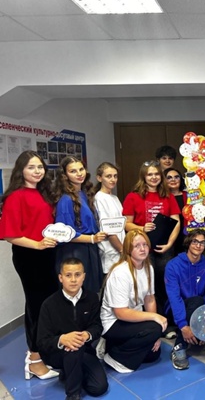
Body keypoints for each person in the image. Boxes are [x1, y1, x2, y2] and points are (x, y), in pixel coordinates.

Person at [0, 151, 59, 379]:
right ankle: (34, 360)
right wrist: (38, 245)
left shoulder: (43, 193)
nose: (37, 171)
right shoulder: (16, 196)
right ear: (21, 170)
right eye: (31, 167)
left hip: (47, 254)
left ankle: (43, 352)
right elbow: (10, 235)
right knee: (37, 306)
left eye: (40, 167)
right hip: (30, 256)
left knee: (46, 304)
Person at [37, 258, 108, 400]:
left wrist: (86, 335)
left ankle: (71, 373)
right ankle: (73, 394)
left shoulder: (92, 298)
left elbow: (97, 326)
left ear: (84, 276)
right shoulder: (49, 304)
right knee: (73, 347)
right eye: (68, 275)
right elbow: (42, 341)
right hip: (58, 354)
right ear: (60, 278)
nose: (73, 280)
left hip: (85, 350)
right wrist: (62, 339)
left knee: (98, 388)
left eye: (78, 275)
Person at [101, 230, 166, 373]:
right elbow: (120, 313)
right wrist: (154, 319)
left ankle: (115, 347)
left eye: (145, 245)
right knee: (155, 328)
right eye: (137, 246)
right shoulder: (120, 273)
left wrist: (155, 336)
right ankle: (114, 357)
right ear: (128, 249)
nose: (142, 249)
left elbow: (149, 299)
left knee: (153, 355)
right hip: (113, 322)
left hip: (133, 318)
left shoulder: (148, 268)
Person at [123, 161, 181, 316]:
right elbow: (126, 224)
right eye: (150, 174)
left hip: (164, 248)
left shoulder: (168, 196)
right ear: (143, 176)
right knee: (145, 284)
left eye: (156, 174)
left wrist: (170, 244)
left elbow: (176, 222)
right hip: (141, 249)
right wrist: (142, 228)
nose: (154, 177)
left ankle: (167, 317)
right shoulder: (133, 196)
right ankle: (147, 317)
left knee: (165, 283)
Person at [165, 229, 205, 370]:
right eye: (195, 241)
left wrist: (203, 327)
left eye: (202, 243)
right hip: (175, 311)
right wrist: (183, 325)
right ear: (188, 243)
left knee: (200, 302)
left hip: (198, 311)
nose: (198, 245)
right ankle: (179, 346)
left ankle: (194, 334)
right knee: (196, 301)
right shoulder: (173, 265)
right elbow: (174, 297)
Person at [55, 156, 107, 293]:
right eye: (73, 171)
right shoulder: (66, 200)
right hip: (75, 250)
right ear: (65, 175)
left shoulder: (83, 194)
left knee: (91, 290)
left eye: (81, 169)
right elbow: (65, 234)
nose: (79, 174)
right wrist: (92, 238)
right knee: (78, 290)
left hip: (89, 247)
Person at [94, 162, 124, 274]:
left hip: (121, 247)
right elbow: (108, 230)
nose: (113, 179)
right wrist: (122, 250)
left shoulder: (115, 198)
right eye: (108, 176)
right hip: (111, 252)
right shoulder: (99, 198)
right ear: (99, 178)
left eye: (115, 176)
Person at [163, 167, 186, 256]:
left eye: (176, 177)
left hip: (186, 236)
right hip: (168, 237)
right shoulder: (161, 197)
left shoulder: (189, 196)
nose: (173, 180)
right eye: (169, 177)